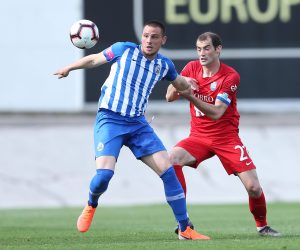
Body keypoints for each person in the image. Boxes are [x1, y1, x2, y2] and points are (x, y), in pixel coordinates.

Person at [54, 20, 210, 240]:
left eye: (154, 37)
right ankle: (91, 204)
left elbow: (179, 83)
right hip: (110, 119)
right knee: (104, 176)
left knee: (168, 170)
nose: (149, 40)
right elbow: (94, 59)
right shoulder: (123, 50)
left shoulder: (165, 65)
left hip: (138, 125)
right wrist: (70, 67)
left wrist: (189, 84)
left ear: (162, 40)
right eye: (146, 36)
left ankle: (184, 228)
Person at [165, 32, 281, 237]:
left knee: (253, 187)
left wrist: (190, 96)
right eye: (199, 49)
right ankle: (184, 223)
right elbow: (169, 97)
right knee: (171, 159)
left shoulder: (230, 76)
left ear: (218, 49)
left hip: (226, 137)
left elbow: (217, 112)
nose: (202, 53)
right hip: (198, 136)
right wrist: (181, 83)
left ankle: (262, 226)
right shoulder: (191, 68)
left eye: (207, 48)